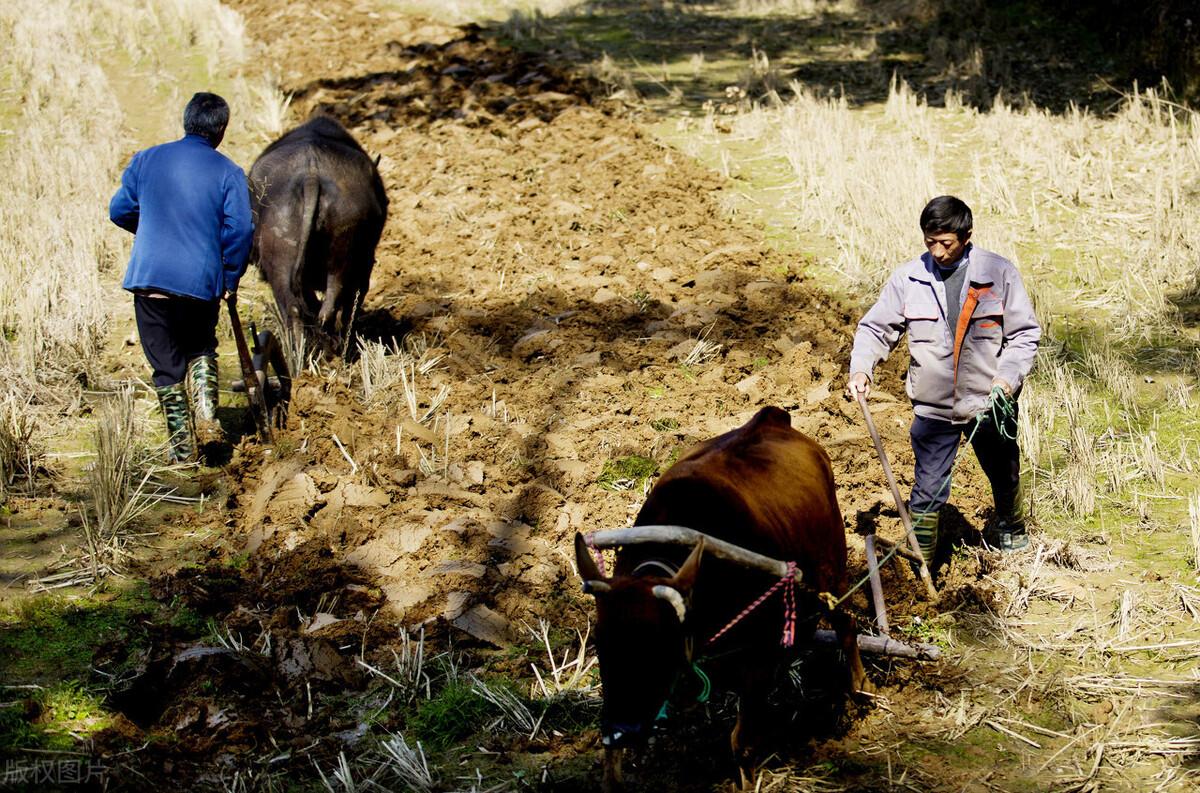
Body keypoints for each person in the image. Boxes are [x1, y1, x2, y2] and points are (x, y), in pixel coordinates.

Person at [846, 196, 1041, 560]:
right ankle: (922, 560)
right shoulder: (908, 279)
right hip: (934, 407)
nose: (937, 251)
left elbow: (1024, 335)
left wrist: (1006, 379)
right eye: (929, 242)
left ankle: (1011, 527)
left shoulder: (998, 274)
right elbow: (875, 328)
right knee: (928, 487)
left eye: (946, 243)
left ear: (966, 236)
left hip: (989, 403)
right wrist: (861, 367)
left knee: (1004, 471)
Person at [109, 92, 253, 463]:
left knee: (166, 366)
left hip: (150, 282)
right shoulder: (229, 172)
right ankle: (207, 419)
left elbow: (120, 210)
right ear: (220, 130)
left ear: (186, 121)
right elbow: (239, 231)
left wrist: (153, 228)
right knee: (201, 348)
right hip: (199, 285)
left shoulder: (146, 159)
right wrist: (230, 277)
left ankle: (183, 451)